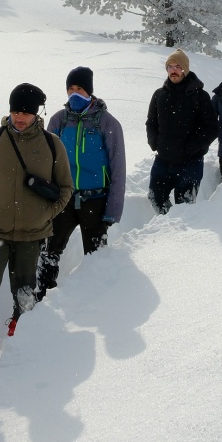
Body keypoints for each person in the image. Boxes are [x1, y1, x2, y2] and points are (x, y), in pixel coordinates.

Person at [0, 83, 72, 363]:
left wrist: (46, 215)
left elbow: (65, 187)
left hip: (33, 235)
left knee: (25, 292)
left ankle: (20, 339)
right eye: (16, 111)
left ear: (37, 113)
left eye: (26, 112)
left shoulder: (52, 144)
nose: (20, 117)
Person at [39, 66, 127, 300]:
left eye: (79, 89)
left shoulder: (107, 123)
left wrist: (112, 211)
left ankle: (94, 301)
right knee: (49, 252)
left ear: (89, 92)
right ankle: (42, 300)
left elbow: (118, 169)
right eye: (70, 89)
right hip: (64, 199)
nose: (74, 94)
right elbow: (47, 163)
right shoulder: (58, 120)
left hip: (95, 200)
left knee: (95, 257)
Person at [146, 50, 218, 212]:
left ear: (185, 69)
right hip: (163, 160)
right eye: (169, 67)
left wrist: (191, 148)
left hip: (190, 163)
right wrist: (154, 142)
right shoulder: (159, 95)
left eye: (177, 67)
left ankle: (178, 233)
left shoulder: (200, 96)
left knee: (184, 208)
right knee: (155, 197)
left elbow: (212, 128)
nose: (173, 71)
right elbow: (151, 123)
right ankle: (166, 226)